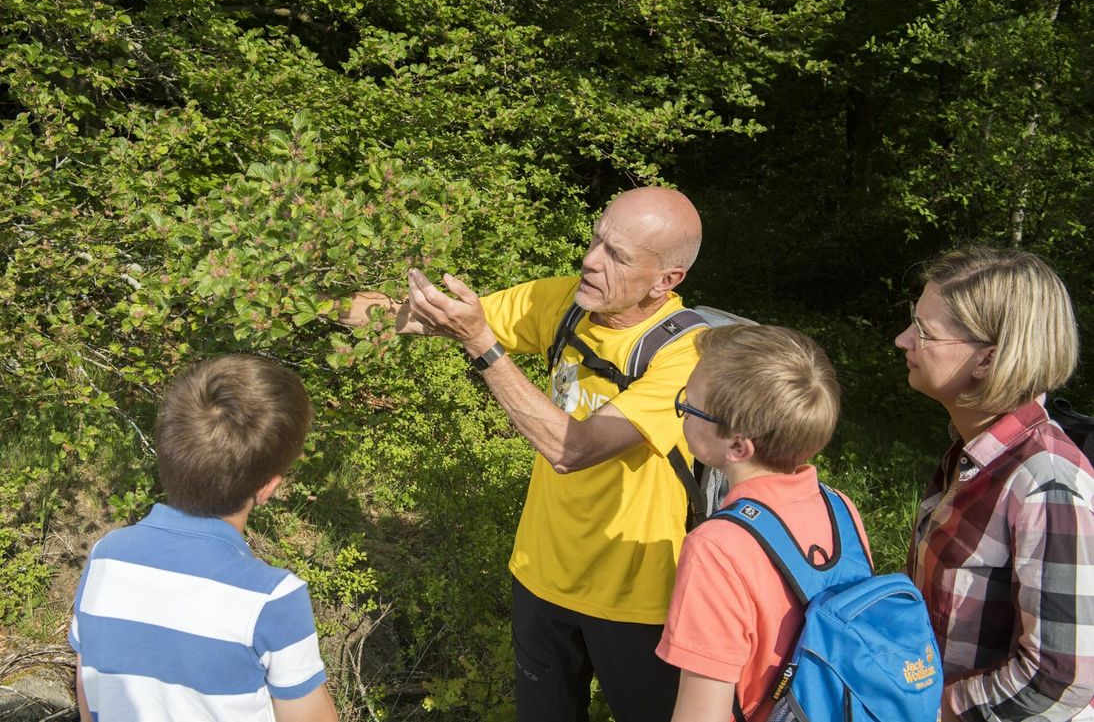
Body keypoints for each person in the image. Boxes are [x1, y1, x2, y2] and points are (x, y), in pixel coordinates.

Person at [343, 186, 703, 721]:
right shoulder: (563, 303)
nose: (590, 260)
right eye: (596, 239)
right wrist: (282, 300)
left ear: (665, 280)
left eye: (616, 255)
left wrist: (484, 348)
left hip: (639, 597)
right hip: (542, 575)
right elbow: (425, 318)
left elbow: (570, 448)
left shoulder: (684, 354)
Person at [68, 355, 339, 722]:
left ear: (166, 452)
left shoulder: (107, 557)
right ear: (268, 488)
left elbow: (90, 697)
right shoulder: (272, 598)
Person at [895, 245, 1094, 721]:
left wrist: (928, 710)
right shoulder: (972, 454)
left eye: (925, 332)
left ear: (987, 359)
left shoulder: (1045, 484)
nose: (903, 340)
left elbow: (1059, 679)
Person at [655, 323, 867, 721]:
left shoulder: (716, 548)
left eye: (689, 405)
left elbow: (702, 715)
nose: (681, 411)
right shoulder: (841, 509)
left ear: (737, 445)